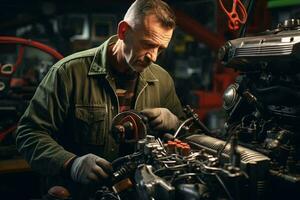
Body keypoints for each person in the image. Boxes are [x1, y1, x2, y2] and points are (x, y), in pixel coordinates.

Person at [15, 0, 184, 199]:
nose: (153, 57)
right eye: (148, 44)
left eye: (161, 49)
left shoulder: (162, 81)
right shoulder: (69, 73)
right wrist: (70, 163)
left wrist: (175, 123)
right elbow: (29, 134)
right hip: (78, 193)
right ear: (123, 31)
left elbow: (185, 139)